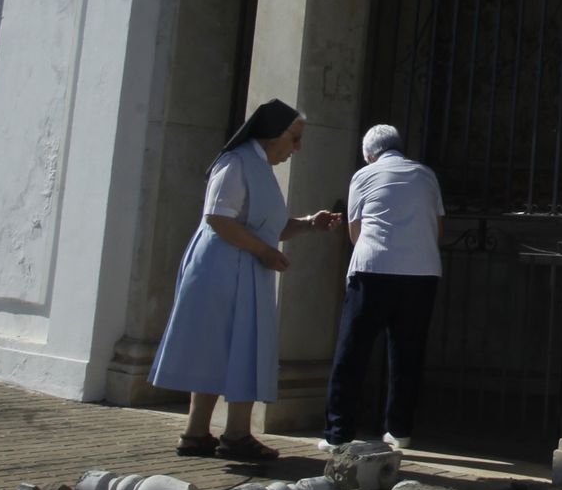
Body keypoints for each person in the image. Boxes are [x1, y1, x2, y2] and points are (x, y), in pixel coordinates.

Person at [150, 97, 343, 466]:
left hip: (243, 265)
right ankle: (229, 434)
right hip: (222, 268)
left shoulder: (260, 167)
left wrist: (308, 223)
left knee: (228, 344)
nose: (297, 148)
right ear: (273, 135)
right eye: (295, 139)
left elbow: (269, 226)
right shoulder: (236, 162)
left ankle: (199, 434)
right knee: (231, 344)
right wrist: (265, 253)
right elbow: (219, 218)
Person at [321, 123, 445, 454]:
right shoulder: (426, 175)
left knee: (352, 350)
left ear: (369, 155)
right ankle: (399, 429)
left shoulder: (364, 176)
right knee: (407, 353)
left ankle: (338, 432)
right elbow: (437, 226)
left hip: (373, 270)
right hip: (421, 273)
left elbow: (354, 230)